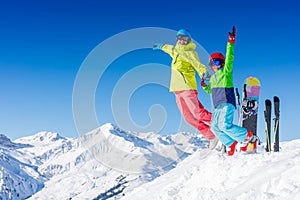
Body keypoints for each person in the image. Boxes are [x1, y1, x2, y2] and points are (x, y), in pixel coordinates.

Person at [153, 29, 218, 150]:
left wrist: (204, 74)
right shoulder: (175, 50)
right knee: (188, 118)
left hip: (187, 87)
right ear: (177, 39)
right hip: (177, 90)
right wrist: (161, 46)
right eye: (180, 38)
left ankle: (220, 123)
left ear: (188, 40)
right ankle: (211, 136)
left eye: (185, 39)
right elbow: (168, 48)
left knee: (197, 112)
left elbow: (198, 64)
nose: (182, 41)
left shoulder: (190, 52)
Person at [201, 26, 257, 156]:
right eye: (212, 63)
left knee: (225, 125)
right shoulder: (213, 78)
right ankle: (231, 144)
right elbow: (210, 91)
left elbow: (230, 58)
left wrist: (230, 43)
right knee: (215, 127)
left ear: (221, 63)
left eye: (217, 62)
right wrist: (204, 85)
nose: (215, 65)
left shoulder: (226, 72)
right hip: (217, 107)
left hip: (227, 103)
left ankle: (247, 137)